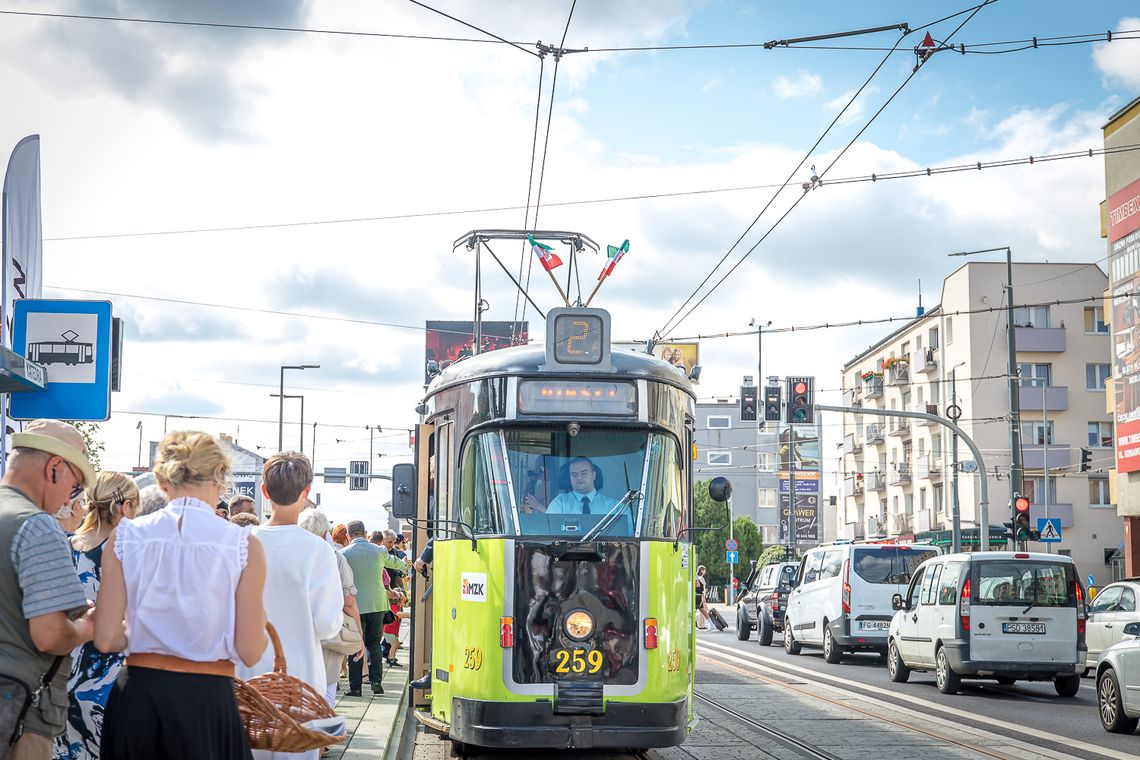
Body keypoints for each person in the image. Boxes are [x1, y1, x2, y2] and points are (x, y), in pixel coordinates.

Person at [94, 431, 269, 759]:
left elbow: (105, 639)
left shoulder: (125, 537)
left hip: (138, 694)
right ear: (220, 477)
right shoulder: (243, 545)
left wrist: (142, 632)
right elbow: (249, 650)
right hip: (208, 698)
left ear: (162, 482)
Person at [0, 419, 97, 760]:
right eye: (75, 486)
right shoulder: (36, 525)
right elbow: (50, 636)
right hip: (19, 711)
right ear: (55, 469)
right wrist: (88, 625)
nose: (71, 500)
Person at [238, 453, 341, 760]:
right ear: (306, 492)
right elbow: (327, 625)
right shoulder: (318, 551)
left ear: (264, 491)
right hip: (300, 682)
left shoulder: (239, 541)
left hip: (246, 677)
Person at [53, 472, 139, 760]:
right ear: (125, 506)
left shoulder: (64, 546)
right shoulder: (126, 552)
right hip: (109, 678)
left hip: (62, 672)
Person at [296, 508, 366, 708]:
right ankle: (324, 730)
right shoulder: (334, 557)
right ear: (325, 531)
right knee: (327, 685)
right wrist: (359, 635)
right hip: (327, 630)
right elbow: (349, 602)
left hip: (295, 630)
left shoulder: (291, 552)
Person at [340, 521, 409, 697]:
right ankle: (376, 682)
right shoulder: (379, 551)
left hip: (355, 606)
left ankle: (355, 687)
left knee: (356, 644)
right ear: (364, 533)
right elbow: (398, 564)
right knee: (374, 644)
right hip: (378, 605)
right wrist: (405, 565)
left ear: (348, 536)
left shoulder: (343, 554)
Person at [526, 457, 618, 514]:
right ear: (570, 478)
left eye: (584, 473)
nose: (579, 477)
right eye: (574, 474)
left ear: (593, 475)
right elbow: (551, 528)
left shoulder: (614, 507)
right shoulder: (560, 503)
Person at [695, 565, 710, 630]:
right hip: (701, 596)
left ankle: (698, 621)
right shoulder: (701, 578)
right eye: (704, 570)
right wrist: (703, 598)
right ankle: (700, 624)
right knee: (703, 610)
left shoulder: (697, 577)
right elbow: (701, 589)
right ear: (701, 570)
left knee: (701, 610)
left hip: (699, 595)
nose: (705, 571)